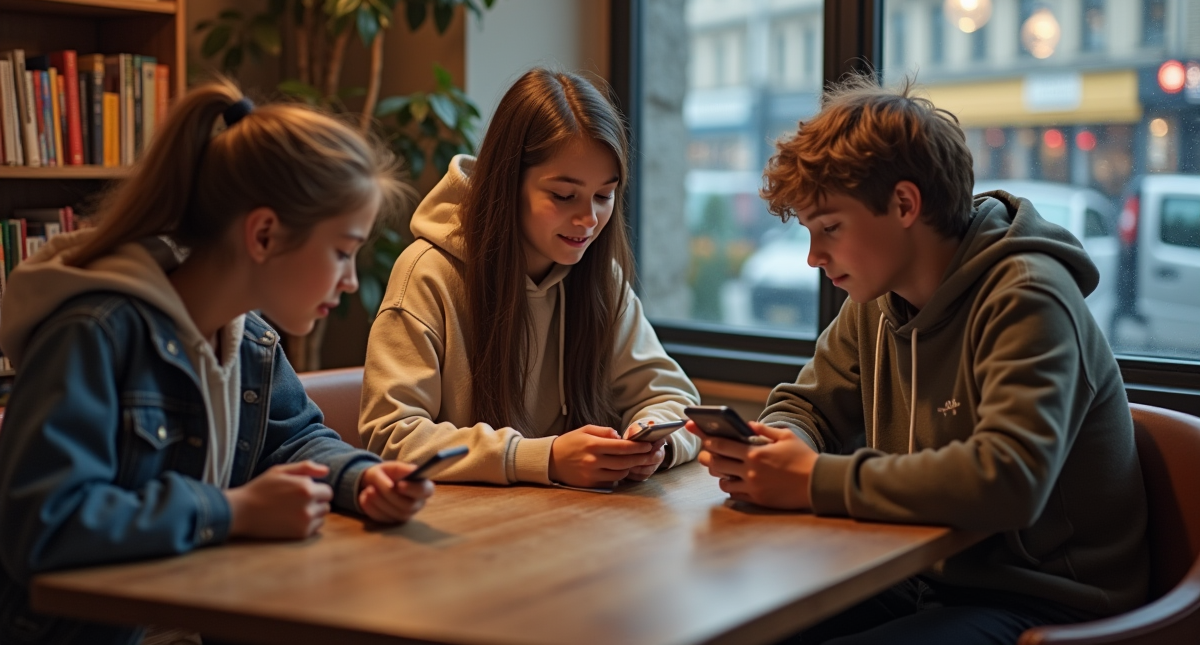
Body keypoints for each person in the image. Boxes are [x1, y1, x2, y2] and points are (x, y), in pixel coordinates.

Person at [689, 75, 1148, 644]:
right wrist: (781, 447)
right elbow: (805, 405)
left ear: (905, 203)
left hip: (1049, 598)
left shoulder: (1028, 293)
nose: (813, 257)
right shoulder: (879, 297)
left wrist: (812, 480)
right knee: (743, 625)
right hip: (925, 573)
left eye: (829, 227)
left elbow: (1011, 479)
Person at [0, 79, 435, 645]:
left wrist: (361, 477)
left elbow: (294, 439)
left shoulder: (248, 338)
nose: (351, 281)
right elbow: (44, 524)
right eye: (342, 251)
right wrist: (233, 511)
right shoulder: (95, 334)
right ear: (264, 234)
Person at [360, 68, 701, 488]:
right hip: (464, 536)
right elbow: (390, 436)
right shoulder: (428, 273)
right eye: (563, 195)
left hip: (569, 528)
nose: (588, 219)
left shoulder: (599, 277)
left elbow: (675, 401)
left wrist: (654, 441)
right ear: (507, 183)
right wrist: (544, 458)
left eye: (603, 195)